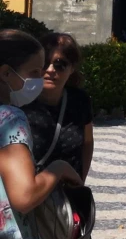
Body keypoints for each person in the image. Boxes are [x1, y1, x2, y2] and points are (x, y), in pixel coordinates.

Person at [0, 30, 83, 239]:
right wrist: (59, 168)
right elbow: (24, 196)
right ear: (6, 73)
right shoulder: (10, 119)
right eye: (34, 72)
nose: (41, 77)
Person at [23, 34, 94, 184]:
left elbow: (87, 143)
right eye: (44, 63)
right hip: (31, 192)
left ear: (72, 68)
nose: (50, 70)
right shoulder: (20, 101)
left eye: (60, 64)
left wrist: (80, 180)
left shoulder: (79, 100)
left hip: (68, 193)